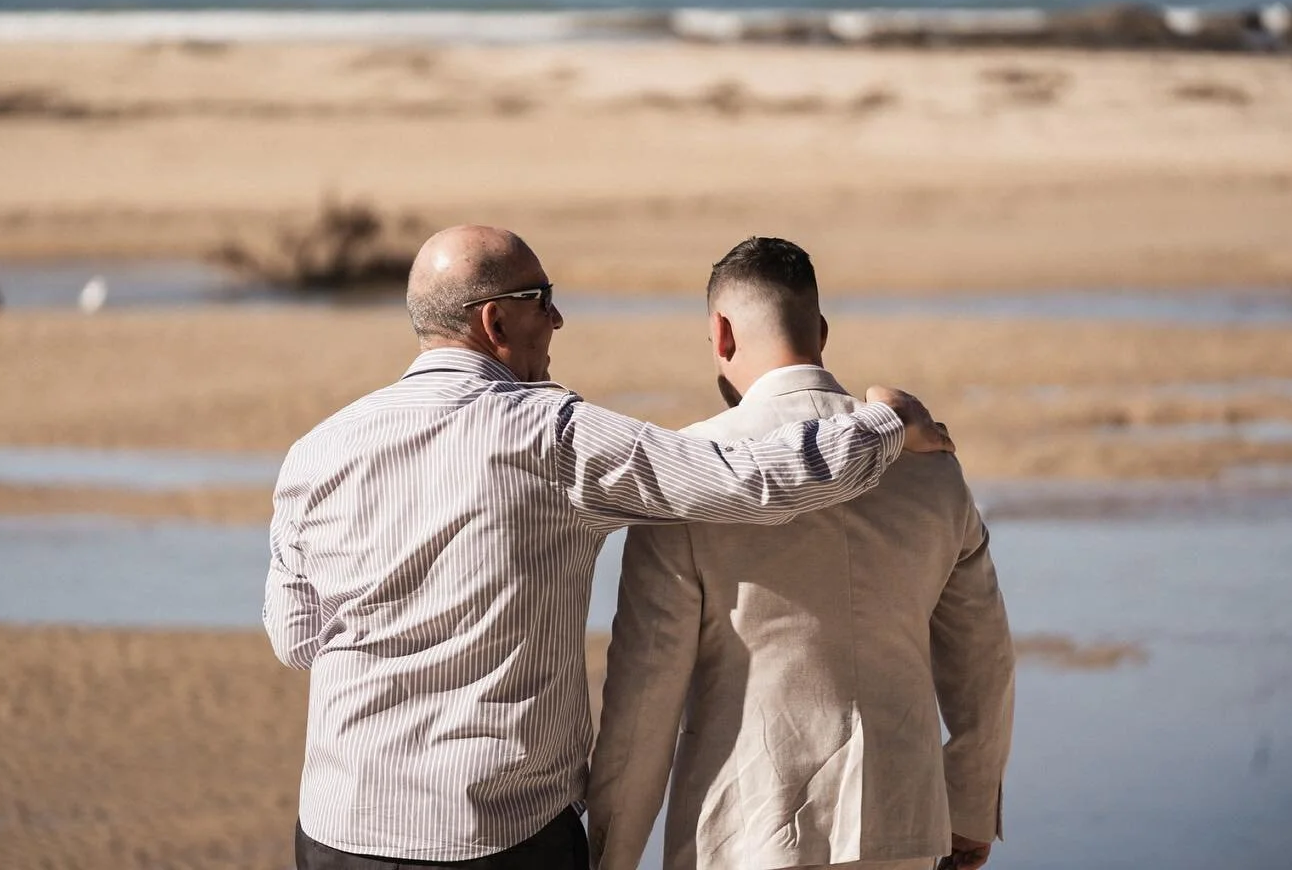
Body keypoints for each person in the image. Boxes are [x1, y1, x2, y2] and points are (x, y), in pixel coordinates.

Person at [265, 225, 953, 870]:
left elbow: (295, 639)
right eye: (545, 301)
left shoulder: (315, 452)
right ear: (496, 322)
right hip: (499, 831)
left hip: (337, 826)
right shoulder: (553, 438)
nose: (559, 321)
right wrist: (888, 423)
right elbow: (751, 481)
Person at [588, 237, 1015, 870]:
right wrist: (972, 808)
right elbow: (984, 659)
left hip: (746, 835)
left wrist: (610, 857)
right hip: (905, 830)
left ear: (721, 333)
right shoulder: (930, 466)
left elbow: (644, 703)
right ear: (819, 330)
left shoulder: (688, 472)